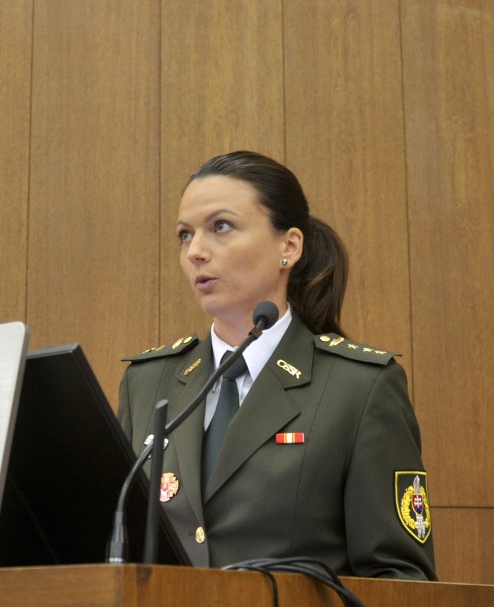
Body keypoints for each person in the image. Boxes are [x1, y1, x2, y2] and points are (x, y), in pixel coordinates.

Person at [117, 150, 436, 580]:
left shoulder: (358, 389)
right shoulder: (147, 383)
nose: (195, 251)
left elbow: (401, 581)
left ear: (289, 246)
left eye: (221, 227)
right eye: (184, 235)